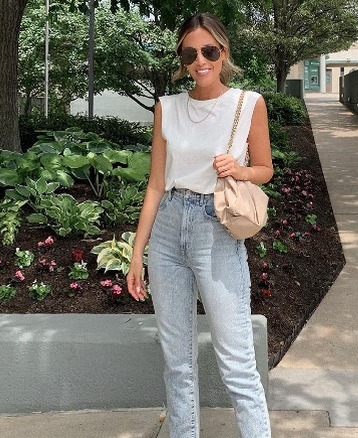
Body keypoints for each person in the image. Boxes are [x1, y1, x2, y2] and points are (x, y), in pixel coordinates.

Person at [125, 12, 273, 438]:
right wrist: (138, 254)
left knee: (237, 362)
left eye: (209, 51)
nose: (200, 60)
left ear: (223, 52)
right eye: (190, 53)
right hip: (169, 229)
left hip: (217, 229)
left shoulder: (248, 103)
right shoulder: (167, 107)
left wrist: (240, 171)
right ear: (182, 59)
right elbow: (155, 185)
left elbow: (265, 168)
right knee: (177, 362)